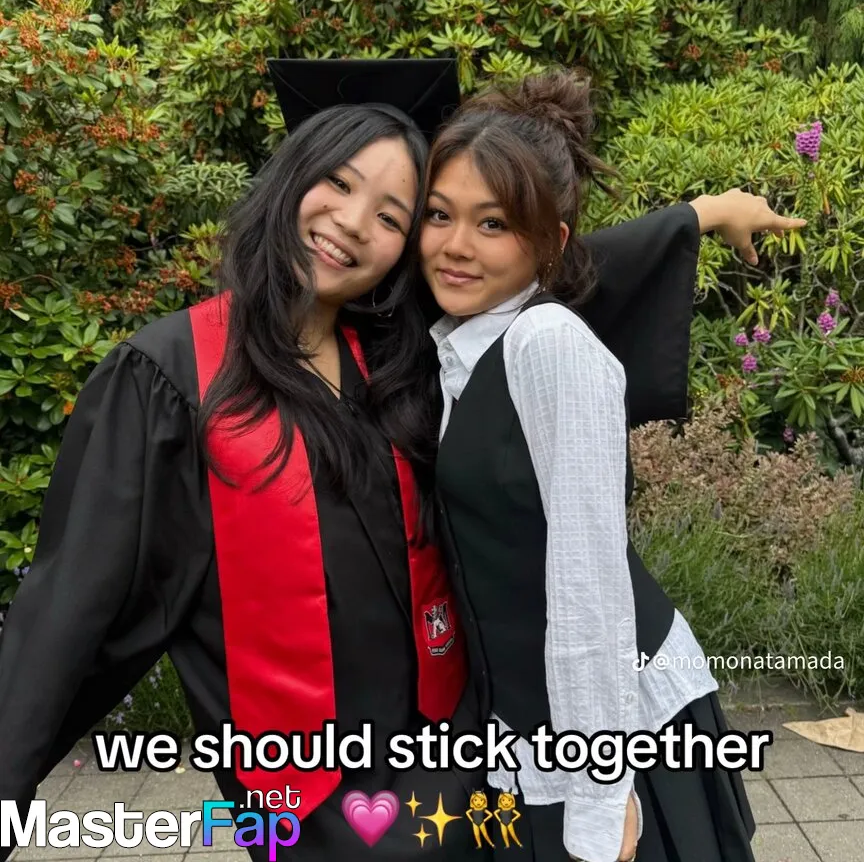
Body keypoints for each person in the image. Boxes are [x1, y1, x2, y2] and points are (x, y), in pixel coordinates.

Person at [0, 58, 802, 862]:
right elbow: (68, 613)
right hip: (315, 786)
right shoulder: (173, 380)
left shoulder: (397, 353)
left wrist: (702, 214)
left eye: (391, 215)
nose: (353, 224)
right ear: (290, 178)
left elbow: (539, 273)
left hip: (463, 756)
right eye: (337, 183)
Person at [420, 66, 798, 862]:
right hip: (528, 732)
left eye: (493, 224)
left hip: (613, 735)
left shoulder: (549, 346)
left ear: (551, 244)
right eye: (439, 215)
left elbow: (586, 578)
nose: (455, 246)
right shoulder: (458, 350)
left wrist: (598, 791)